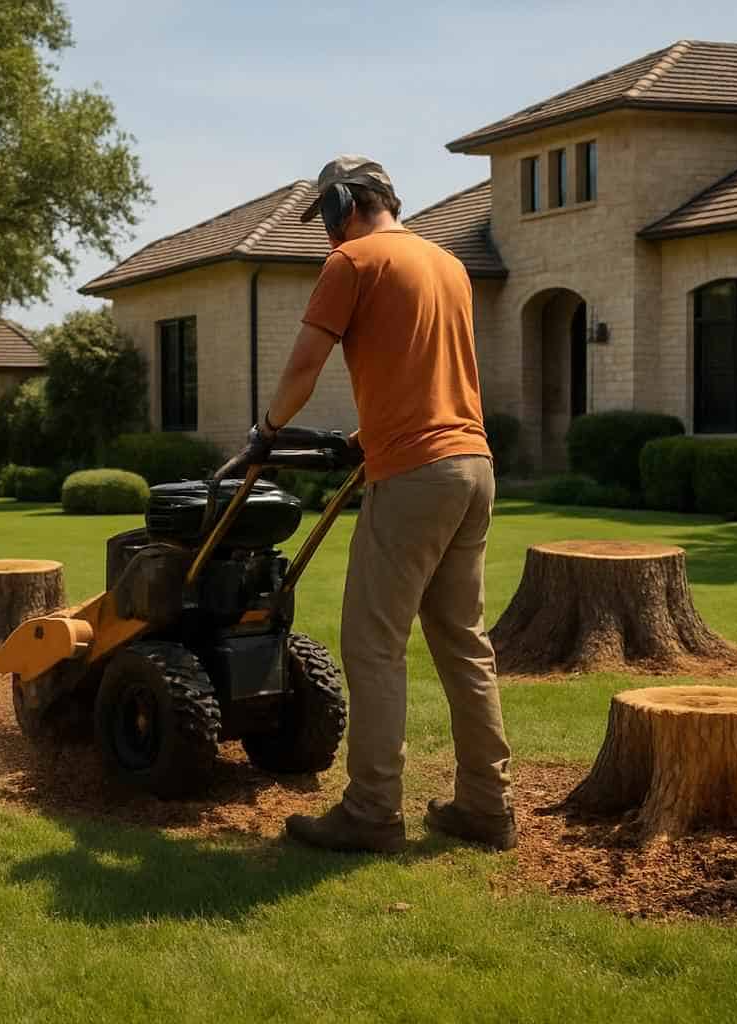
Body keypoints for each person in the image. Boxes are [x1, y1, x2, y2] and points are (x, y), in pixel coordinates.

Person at [246, 154, 514, 853]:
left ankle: (370, 812)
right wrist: (360, 441)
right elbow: (430, 374)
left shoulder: (352, 262)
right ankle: (487, 805)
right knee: (464, 644)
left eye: (326, 215)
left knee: (373, 645)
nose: (326, 230)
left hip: (417, 476)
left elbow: (303, 366)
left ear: (344, 204)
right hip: (472, 465)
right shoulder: (447, 264)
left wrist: (267, 430)